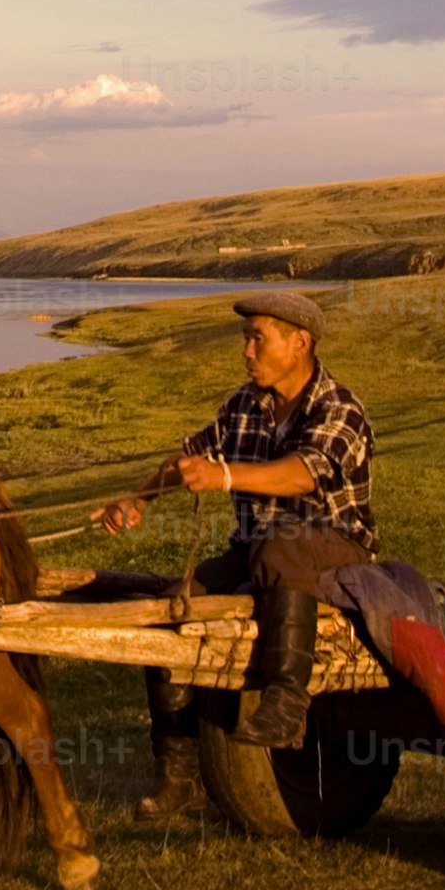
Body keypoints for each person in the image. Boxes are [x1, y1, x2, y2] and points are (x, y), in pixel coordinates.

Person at [92, 291, 374, 814]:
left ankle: (288, 701)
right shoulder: (243, 405)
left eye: (257, 338)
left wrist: (225, 477)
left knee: (279, 548)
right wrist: (139, 498)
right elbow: (189, 458)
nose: (246, 351)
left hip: (337, 549)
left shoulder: (339, 407)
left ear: (300, 343)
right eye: (246, 339)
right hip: (259, 552)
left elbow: (303, 473)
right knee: (174, 607)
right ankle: (178, 778)